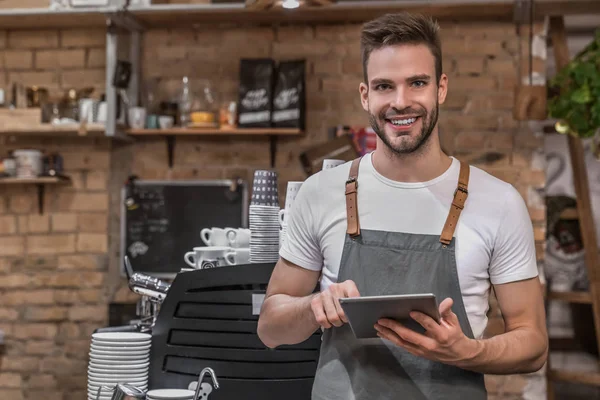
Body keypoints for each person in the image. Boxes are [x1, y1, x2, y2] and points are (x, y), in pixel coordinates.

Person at [257, 11, 548, 400]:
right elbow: (270, 327)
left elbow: (534, 344)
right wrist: (313, 307)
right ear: (365, 95)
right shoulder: (320, 193)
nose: (401, 102)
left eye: (417, 83)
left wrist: (469, 351)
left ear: (441, 88)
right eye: (383, 86)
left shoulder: (499, 202)